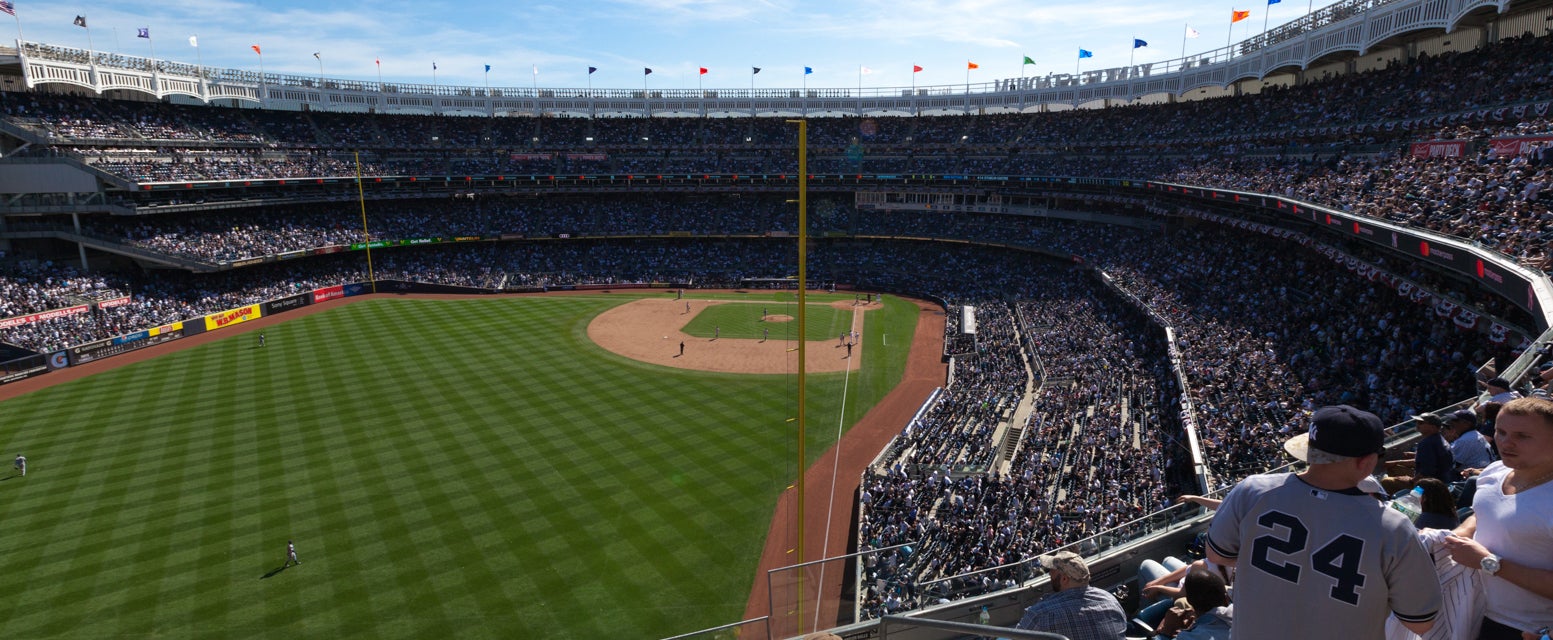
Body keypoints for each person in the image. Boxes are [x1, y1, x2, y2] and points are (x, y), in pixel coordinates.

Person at [1206, 405, 1441, 638]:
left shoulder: (1252, 490)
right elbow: (1420, 621)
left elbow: (1217, 556)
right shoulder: (1394, 528)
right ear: (1366, 461)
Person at [1442, 397, 1553, 639]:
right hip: (1472, 611)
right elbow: (1484, 512)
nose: (1506, 443)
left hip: (1529, 630)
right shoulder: (1494, 471)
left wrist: (1489, 563)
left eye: (1522, 436)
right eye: (1501, 432)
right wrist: (1462, 533)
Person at [1014, 550, 1127, 640]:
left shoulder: (1040, 614)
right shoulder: (1111, 601)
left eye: (1052, 570)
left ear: (1064, 579)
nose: (1049, 573)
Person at [1153, 568, 1233, 640]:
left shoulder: (1191, 637)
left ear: (1189, 601)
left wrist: (1167, 630)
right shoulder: (1241, 615)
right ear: (1226, 598)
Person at [1384, 412, 1454, 492]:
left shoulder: (1427, 443)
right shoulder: (1438, 439)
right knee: (1394, 468)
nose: (1417, 424)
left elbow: (1427, 472)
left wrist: (1411, 481)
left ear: (1432, 427)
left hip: (1430, 486)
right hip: (1441, 480)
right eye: (1416, 422)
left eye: (1421, 423)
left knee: (1386, 482)